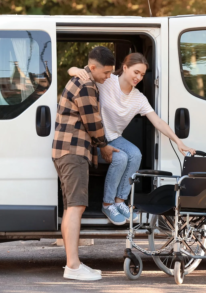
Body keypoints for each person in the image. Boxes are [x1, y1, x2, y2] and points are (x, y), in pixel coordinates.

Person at [68, 52, 196, 226]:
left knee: (135, 154)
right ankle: (107, 204)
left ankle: (120, 201)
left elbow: (158, 121)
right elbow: (80, 71)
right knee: (120, 158)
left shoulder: (138, 98)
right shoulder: (107, 81)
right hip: (94, 138)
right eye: (136, 72)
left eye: (142, 75)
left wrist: (179, 142)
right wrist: (75, 69)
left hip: (113, 138)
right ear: (125, 67)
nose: (138, 77)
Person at [52, 46, 119, 281]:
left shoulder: (82, 79)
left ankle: (74, 263)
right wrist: (104, 146)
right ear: (93, 68)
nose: (108, 76)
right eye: (107, 72)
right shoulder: (86, 85)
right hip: (73, 150)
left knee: (73, 206)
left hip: (67, 150)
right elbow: (93, 122)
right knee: (76, 207)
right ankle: (72, 266)